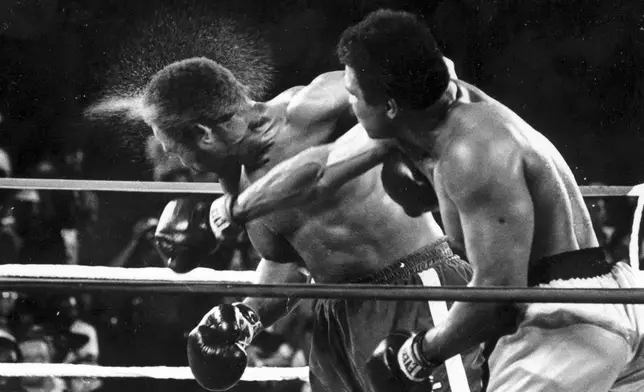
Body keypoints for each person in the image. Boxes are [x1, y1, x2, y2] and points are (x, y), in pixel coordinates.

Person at [318, 9, 644, 392]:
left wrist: (417, 354)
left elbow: (497, 294)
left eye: (354, 94)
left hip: (565, 323)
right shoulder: (451, 115)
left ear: (390, 107)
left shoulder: (469, 152)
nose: (350, 105)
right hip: (606, 306)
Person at [142, 56, 482, 391]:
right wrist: (248, 316)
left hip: (412, 292)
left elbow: (434, 71)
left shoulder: (308, 109)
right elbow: (289, 259)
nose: (177, 159)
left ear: (203, 134)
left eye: (174, 148)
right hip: (337, 320)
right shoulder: (235, 183)